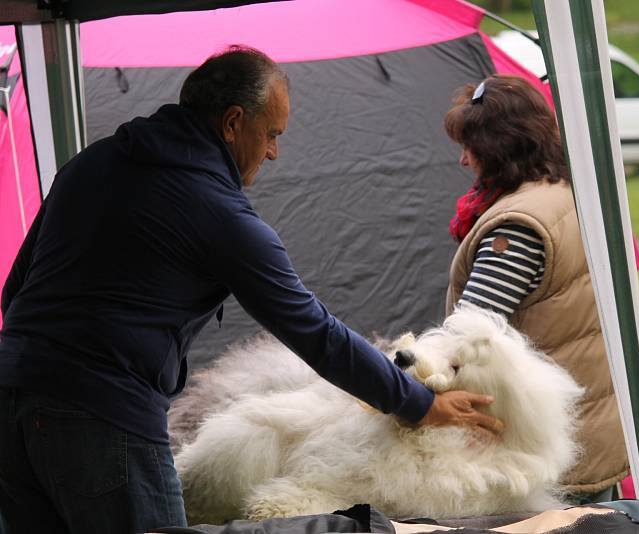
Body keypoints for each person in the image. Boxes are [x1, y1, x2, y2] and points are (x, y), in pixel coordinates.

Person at [0, 46, 502, 534]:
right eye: (270, 134)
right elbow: (313, 332)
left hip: (10, 404)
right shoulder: (219, 213)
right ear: (234, 121)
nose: (274, 152)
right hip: (103, 420)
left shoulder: (91, 163)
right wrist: (418, 403)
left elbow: (15, 291)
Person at [442, 75, 628, 504]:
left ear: (499, 147)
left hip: (544, 453)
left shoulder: (518, 226)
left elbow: (465, 342)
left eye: (470, 146)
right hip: (588, 431)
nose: (463, 160)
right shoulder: (569, 192)